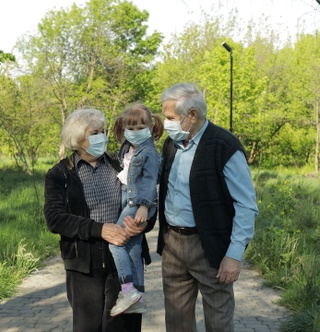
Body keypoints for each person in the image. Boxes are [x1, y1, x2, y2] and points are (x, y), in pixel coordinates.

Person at [156, 83, 259, 331]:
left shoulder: (224, 146)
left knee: (218, 323)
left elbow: (246, 205)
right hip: (173, 245)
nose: (165, 123)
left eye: (170, 117)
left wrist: (234, 256)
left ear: (192, 115)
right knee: (177, 324)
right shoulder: (171, 144)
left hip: (210, 247)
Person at [44, 108, 152, 332]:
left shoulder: (121, 164)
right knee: (88, 327)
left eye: (103, 131)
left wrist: (144, 222)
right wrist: (99, 229)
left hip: (124, 263)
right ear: (78, 138)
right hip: (84, 265)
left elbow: (147, 196)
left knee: (124, 326)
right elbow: (55, 218)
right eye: (95, 132)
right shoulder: (60, 174)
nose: (102, 137)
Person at [108, 103, 163, 316]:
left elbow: (150, 180)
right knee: (133, 248)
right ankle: (139, 295)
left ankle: (128, 290)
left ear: (150, 126)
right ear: (124, 128)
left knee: (115, 242)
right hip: (127, 200)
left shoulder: (149, 152)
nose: (136, 131)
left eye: (141, 127)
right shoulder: (127, 147)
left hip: (137, 204)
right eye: (131, 127)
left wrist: (143, 206)